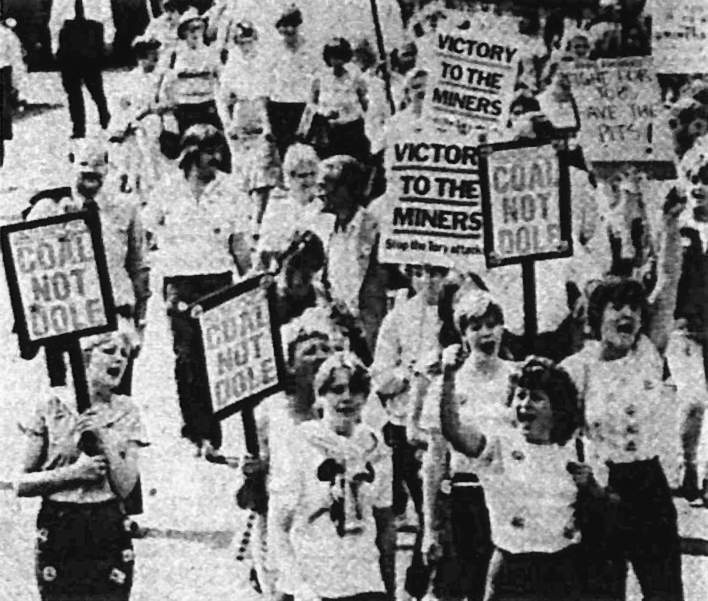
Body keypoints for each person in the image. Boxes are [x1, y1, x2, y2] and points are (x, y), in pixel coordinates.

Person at [561, 187, 687, 601]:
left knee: (664, 588)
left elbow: (668, 281)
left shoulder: (649, 350)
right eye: (617, 307)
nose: (628, 315)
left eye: (634, 308)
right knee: (602, 590)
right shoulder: (578, 367)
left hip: (648, 482)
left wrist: (668, 224)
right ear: (597, 317)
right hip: (601, 486)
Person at [440, 355, 585, 601]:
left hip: (562, 570)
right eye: (520, 396)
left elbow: (608, 505)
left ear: (557, 406)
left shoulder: (577, 448)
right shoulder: (500, 444)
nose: (524, 404)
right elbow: (454, 431)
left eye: (536, 398)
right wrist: (448, 377)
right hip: (512, 570)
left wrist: (590, 486)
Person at [16, 330, 147, 601]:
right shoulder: (51, 405)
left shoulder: (128, 411)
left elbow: (125, 488)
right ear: (85, 356)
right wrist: (74, 474)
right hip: (59, 524)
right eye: (109, 351)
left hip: (107, 525)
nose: (119, 360)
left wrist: (106, 442)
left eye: (124, 354)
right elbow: (22, 483)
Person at [147, 124, 250, 452]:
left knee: (214, 357)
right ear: (191, 154)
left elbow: (239, 242)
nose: (215, 159)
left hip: (217, 280)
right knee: (186, 357)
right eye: (208, 152)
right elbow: (149, 228)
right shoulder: (167, 188)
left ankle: (213, 430)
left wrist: (248, 281)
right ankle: (195, 429)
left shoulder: (230, 189)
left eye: (218, 151)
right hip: (180, 282)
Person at [269, 351, 394, 601]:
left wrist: (389, 589)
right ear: (321, 395)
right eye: (337, 390)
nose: (347, 398)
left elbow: (384, 522)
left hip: (363, 579)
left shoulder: (374, 447)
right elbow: (279, 526)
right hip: (314, 581)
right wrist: (298, 586)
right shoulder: (300, 443)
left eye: (356, 389)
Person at [420, 288, 517, 601]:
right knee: (472, 587)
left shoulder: (518, 379)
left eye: (492, 324)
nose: (485, 333)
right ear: (463, 335)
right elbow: (435, 461)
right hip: (467, 496)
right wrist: (431, 527)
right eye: (475, 327)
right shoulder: (447, 385)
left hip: (512, 492)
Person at [319, 155, 390, 356]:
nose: (321, 194)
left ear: (347, 188)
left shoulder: (375, 228)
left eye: (327, 186)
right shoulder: (328, 231)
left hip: (375, 333)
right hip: (346, 335)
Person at [217, 20, 280, 214]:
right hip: (241, 114)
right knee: (244, 170)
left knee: (264, 166)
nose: (246, 46)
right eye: (240, 42)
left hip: (263, 115)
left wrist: (269, 124)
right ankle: (248, 214)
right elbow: (222, 98)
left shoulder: (264, 61)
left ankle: (259, 218)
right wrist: (228, 124)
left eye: (249, 41)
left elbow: (270, 92)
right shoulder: (233, 65)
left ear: (255, 39)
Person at [257, 143, 333, 265]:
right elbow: (266, 250)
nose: (309, 181)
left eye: (312, 174)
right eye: (302, 176)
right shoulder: (279, 206)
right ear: (290, 176)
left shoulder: (324, 206)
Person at [49, 0, 114, 139]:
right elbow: (55, 20)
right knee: (72, 90)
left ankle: (105, 118)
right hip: (69, 38)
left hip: (90, 35)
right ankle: (78, 128)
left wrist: (108, 39)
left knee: (95, 86)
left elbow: (107, 14)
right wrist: (55, 45)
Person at [303, 37, 369, 162]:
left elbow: (365, 101)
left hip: (352, 128)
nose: (336, 60)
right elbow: (311, 103)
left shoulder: (355, 75)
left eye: (340, 55)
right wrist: (323, 112)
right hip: (329, 130)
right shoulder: (320, 77)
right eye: (332, 56)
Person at [159, 8, 222, 136]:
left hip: (208, 102)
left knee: (213, 137)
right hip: (185, 104)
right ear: (183, 32)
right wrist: (167, 103)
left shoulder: (210, 52)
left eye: (199, 28)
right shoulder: (175, 54)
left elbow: (220, 76)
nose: (195, 33)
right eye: (191, 29)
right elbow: (166, 81)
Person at [265, 5, 315, 160]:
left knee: (306, 152)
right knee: (284, 154)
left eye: (292, 25)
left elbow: (314, 85)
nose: (288, 30)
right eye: (284, 26)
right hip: (279, 107)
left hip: (302, 106)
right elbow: (267, 86)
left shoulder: (308, 49)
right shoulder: (273, 50)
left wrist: (307, 117)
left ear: (298, 25)